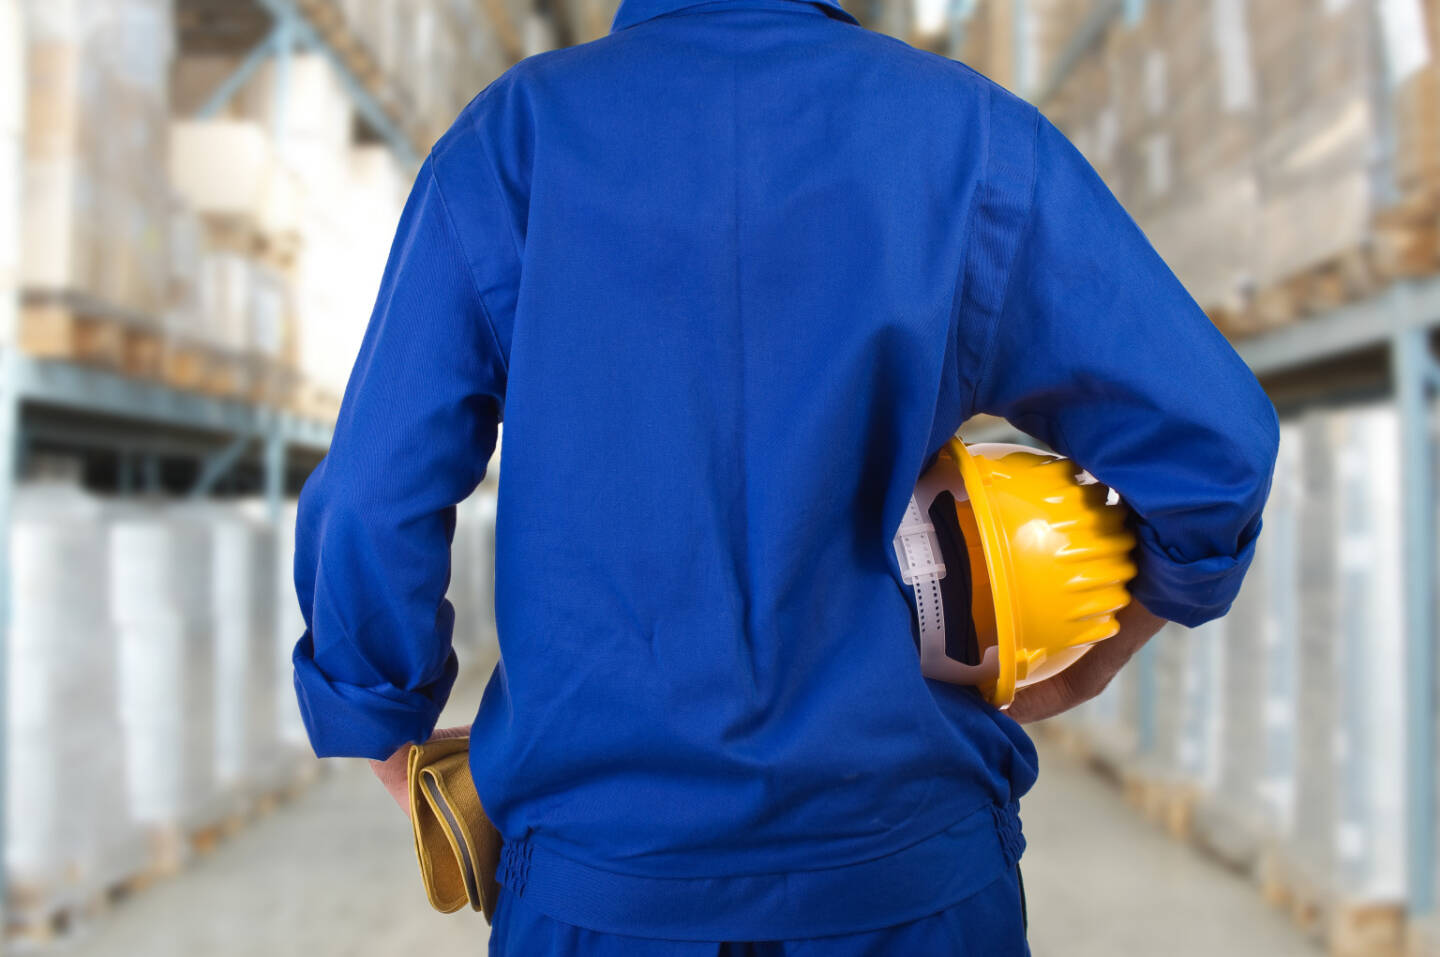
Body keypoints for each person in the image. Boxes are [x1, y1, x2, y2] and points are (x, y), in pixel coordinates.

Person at [289, 0, 1281, 952]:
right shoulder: (968, 137)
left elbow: (377, 496)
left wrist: (381, 720)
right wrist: (1114, 639)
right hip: (908, 875)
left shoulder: (511, 143)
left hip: (601, 885)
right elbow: (1215, 447)